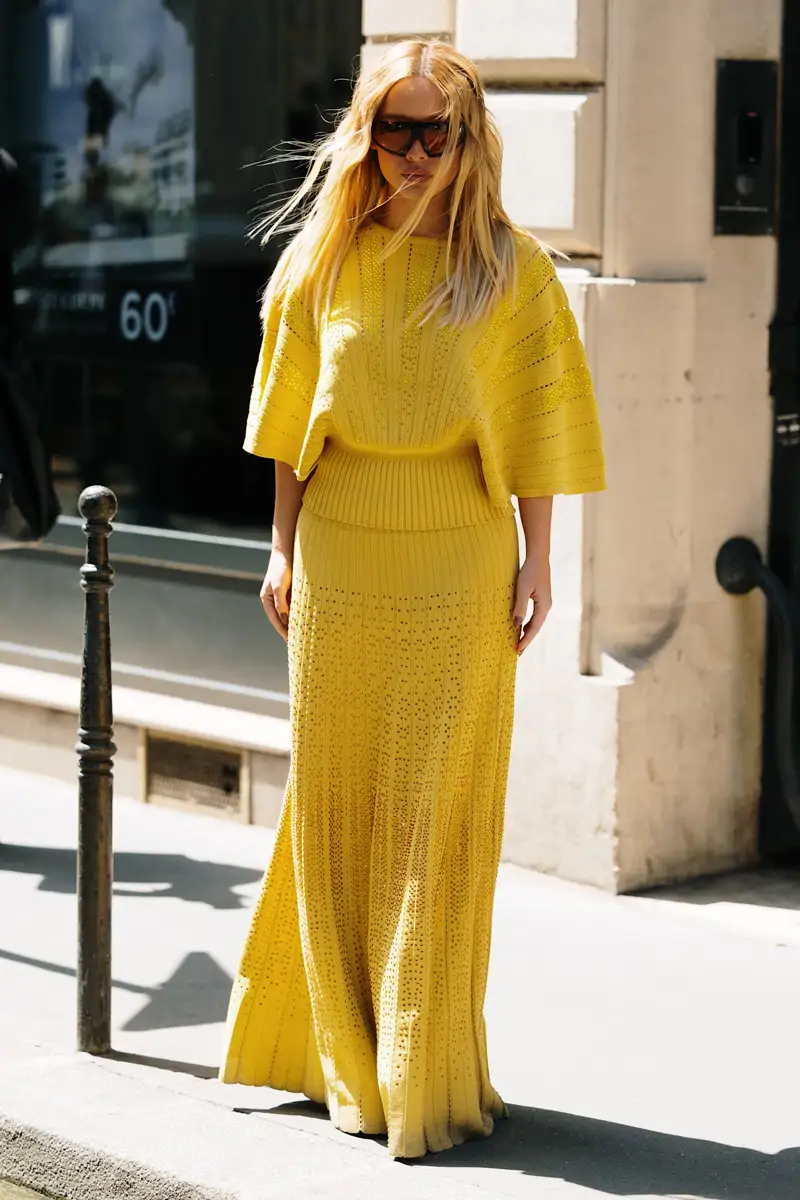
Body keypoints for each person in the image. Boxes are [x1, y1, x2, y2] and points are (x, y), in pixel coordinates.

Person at [218, 39, 606, 1158]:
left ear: (470, 138)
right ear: (365, 134)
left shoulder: (511, 272)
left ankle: (420, 1067)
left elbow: (540, 437)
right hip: (339, 563)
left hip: (458, 567)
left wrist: (539, 565)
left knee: (434, 824)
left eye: (437, 131)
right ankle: (342, 1055)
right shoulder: (319, 264)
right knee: (336, 810)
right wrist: (280, 549)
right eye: (394, 128)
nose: (415, 153)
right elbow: (287, 432)